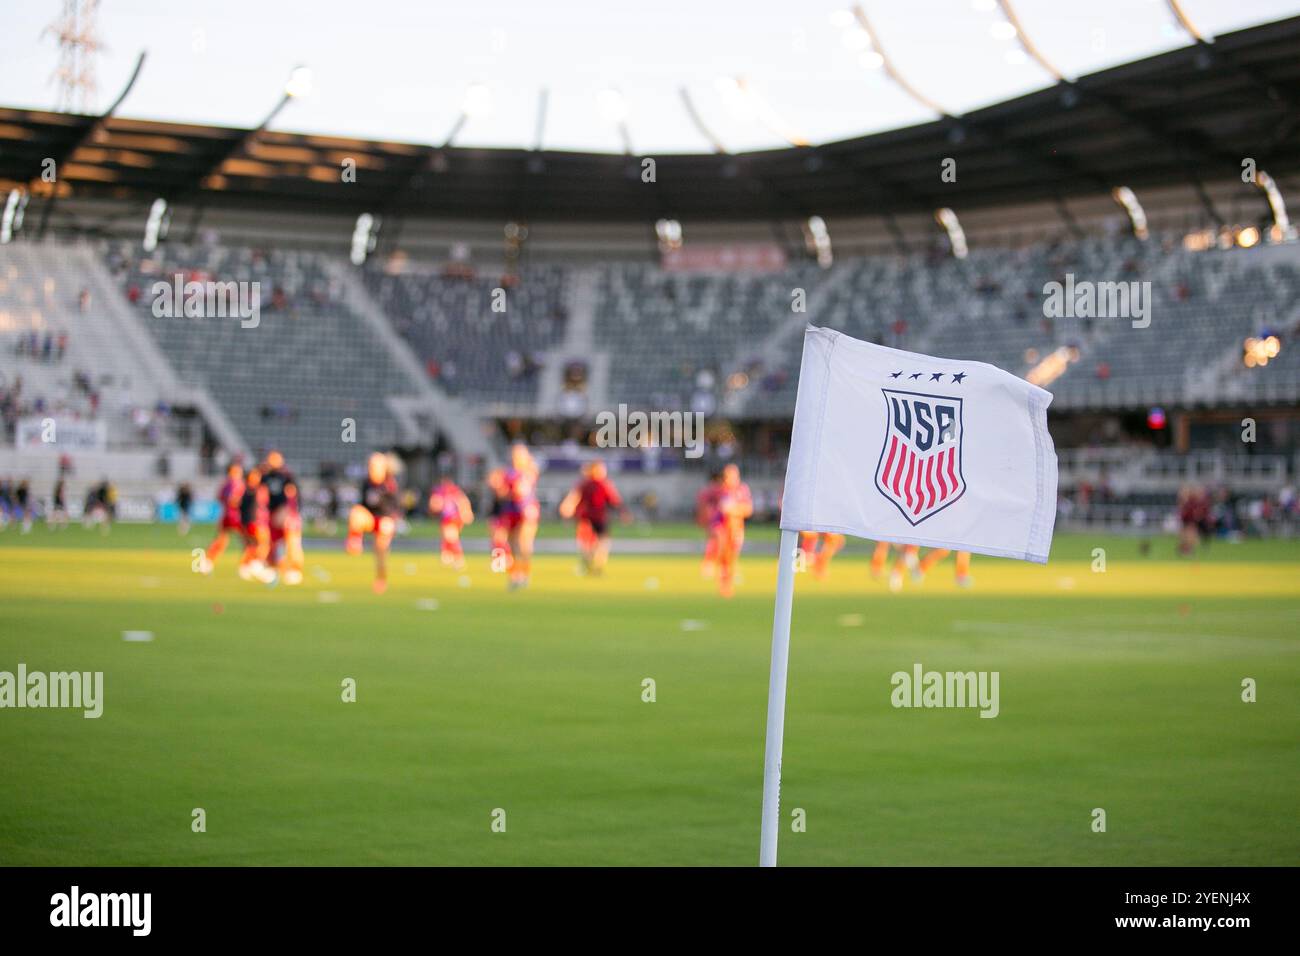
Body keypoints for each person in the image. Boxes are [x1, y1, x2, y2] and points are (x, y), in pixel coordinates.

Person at [559, 460, 628, 576]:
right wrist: (567, 507)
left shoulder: (600, 484)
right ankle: (592, 565)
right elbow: (574, 497)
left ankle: (594, 565)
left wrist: (622, 512)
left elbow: (614, 500)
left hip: (597, 517)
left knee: (599, 543)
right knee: (591, 544)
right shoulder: (589, 484)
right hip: (588, 518)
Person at [489, 443, 540, 590]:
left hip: (526, 510)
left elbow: (524, 491)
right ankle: (515, 575)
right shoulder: (508, 473)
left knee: (524, 543)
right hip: (510, 510)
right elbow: (503, 493)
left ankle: (524, 573)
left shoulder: (529, 471)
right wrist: (498, 487)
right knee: (511, 544)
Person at [346, 452, 399, 594]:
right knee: (355, 512)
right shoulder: (366, 483)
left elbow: (395, 510)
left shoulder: (390, 484)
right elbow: (362, 506)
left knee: (380, 553)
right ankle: (355, 541)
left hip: (384, 521)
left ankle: (381, 579)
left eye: (375, 466)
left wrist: (389, 522)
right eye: (370, 466)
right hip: (371, 518)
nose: (372, 469)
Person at [261, 450, 303, 584]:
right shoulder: (265, 476)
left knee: (292, 541)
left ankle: (295, 569)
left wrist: (288, 512)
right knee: (271, 542)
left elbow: (293, 495)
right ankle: (273, 567)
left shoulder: (286, 476)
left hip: (286, 514)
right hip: (271, 514)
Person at [198, 463, 245, 574]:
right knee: (249, 541)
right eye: (237, 471)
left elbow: (219, 497)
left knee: (222, 540)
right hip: (235, 516)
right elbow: (233, 500)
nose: (239, 473)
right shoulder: (234, 484)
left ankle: (207, 561)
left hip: (227, 515)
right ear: (231, 472)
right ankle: (246, 565)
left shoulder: (226, 484)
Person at [715, 463, 753, 598]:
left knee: (732, 555)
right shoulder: (721, 490)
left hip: (736, 528)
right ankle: (724, 582)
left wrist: (734, 510)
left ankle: (727, 584)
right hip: (722, 528)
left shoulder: (742, 489)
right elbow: (717, 510)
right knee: (723, 556)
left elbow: (748, 509)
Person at [237, 468, 276, 583]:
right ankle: (256, 564)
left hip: (251, 521)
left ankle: (246, 566)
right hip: (256, 522)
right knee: (262, 544)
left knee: (252, 546)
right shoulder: (253, 490)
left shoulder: (248, 489)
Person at [427, 475, 473, 571]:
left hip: (454, 518)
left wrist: (466, 513)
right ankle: (447, 555)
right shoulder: (441, 492)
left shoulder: (453, 491)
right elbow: (434, 504)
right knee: (448, 537)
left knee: (451, 537)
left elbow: (463, 502)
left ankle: (458, 559)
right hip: (446, 518)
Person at [696, 470, 723, 579]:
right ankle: (710, 564)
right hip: (714, 520)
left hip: (713, 519)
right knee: (716, 542)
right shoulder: (713, 490)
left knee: (714, 542)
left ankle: (710, 564)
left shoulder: (706, 491)